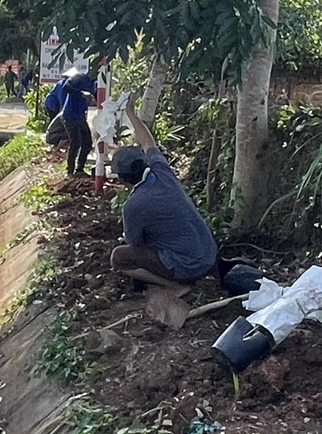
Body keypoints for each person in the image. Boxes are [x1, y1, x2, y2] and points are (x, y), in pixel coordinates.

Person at [109, 108, 217, 295]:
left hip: (187, 266)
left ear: (121, 180)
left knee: (118, 257)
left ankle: (174, 285)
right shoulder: (162, 171)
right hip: (208, 255)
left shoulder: (134, 204)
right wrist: (131, 113)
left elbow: (134, 241)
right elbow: (147, 141)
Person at [46, 66, 97, 176]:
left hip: (80, 116)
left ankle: (80, 169)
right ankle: (70, 171)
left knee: (87, 143)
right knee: (75, 142)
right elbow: (66, 87)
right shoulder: (79, 77)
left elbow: (96, 98)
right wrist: (82, 93)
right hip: (70, 115)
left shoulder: (95, 84)